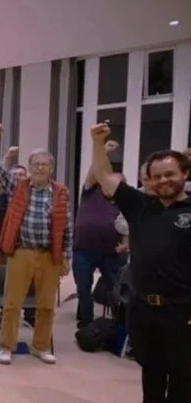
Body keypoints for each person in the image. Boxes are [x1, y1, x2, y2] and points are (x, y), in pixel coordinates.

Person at [90, 124, 191, 403]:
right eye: (157, 176)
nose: (164, 181)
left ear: (184, 174)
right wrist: (97, 142)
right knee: (150, 362)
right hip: (142, 303)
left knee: (181, 367)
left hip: (182, 306)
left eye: (170, 174)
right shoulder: (139, 206)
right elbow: (105, 178)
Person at [0, 124, 72, 366]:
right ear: (30, 167)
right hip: (21, 252)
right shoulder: (18, 185)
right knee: (13, 303)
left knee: (46, 305)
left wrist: (67, 255)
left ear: (51, 168)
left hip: (49, 255)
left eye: (44, 164)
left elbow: (67, 226)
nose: (40, 168)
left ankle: (41, 347)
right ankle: (6, 347)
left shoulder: (61, 192)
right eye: (35, 164)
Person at [72, 140, 126, 328]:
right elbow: (93, 171)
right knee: (83, 289)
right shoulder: (89, 191)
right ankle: (87, 324)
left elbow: (131, 225)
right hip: (83, 250)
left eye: (120, 183)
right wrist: (103, 151)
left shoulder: (123, 202)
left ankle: (120, 325)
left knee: (116, 290)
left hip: (112, 253)